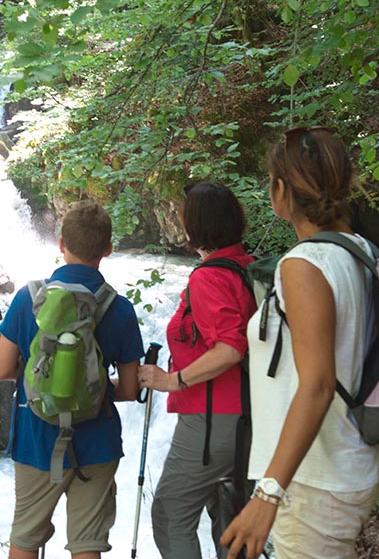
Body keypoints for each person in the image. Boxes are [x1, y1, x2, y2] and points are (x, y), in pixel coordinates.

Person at [221, 127, 379, 559]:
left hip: (314, 477)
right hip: (343, 462)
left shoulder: (305, 263)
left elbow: (317, 384)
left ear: (280, 190)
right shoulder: (358, 251)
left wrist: (268, 494)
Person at [0, 199, 143, 559]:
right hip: (97, 442)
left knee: (26, 538)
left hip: (35, 437)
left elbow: (1, 370)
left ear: (61, 243)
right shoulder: (119, 308)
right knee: (87, 544)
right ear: (107, 249)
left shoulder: (28, 299)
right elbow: (128, 389)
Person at [137, 182, 257, 559]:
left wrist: (171, 381)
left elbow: (231, 347)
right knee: (228, 520)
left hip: (210, 421)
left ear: (195, 226)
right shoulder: (247, 267)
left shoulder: (209, 278)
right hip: (248, 418)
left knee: (171, 514)